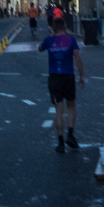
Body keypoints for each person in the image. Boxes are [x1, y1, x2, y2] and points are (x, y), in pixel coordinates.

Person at [39, 16, 85, 153]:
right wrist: (81, 76)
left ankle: (60, 143)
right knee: (71, 106)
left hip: (54, 78)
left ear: (53, 28)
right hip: (68, 76)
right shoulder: (71, 40)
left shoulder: (49, 40)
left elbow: (40, 48)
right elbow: (77, 58)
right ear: (64, 27)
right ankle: (70, 135)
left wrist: (50, 36)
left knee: (59, 110)